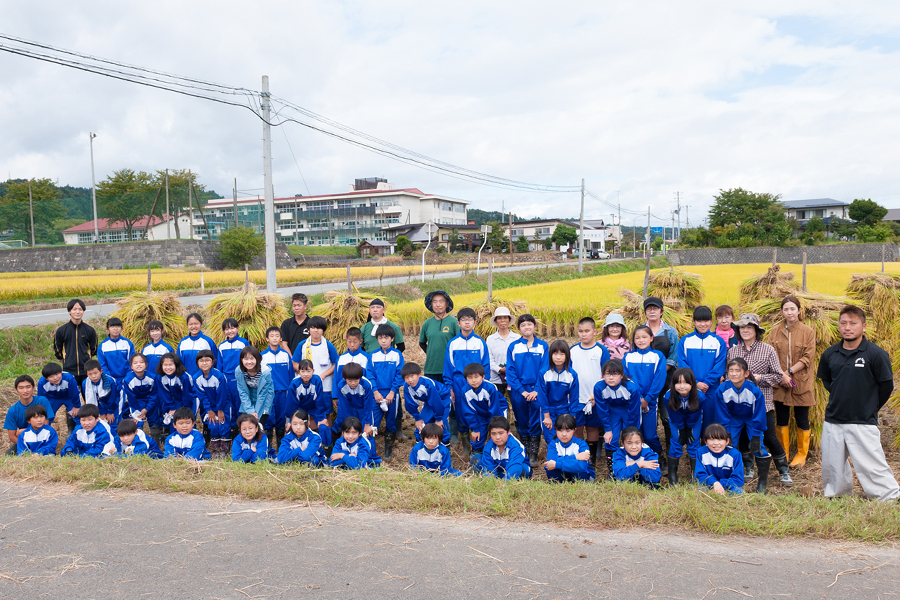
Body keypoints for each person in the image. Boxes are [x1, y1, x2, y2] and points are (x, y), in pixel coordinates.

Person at [817, 305, 899, 502]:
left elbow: (886, 386)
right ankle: (837, 495)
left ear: (863, 326)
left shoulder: (875, 354)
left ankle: (888, 496)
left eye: (853, 323)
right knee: (832, 463)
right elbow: (828, 381)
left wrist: (869, 406)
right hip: (834, 418)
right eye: (843, 322)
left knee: (870, 462)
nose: (847, 327)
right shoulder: (830, 354)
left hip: (863, 419)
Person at [727, 313, 792, 487]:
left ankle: (783, 470)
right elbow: (729, 375)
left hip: (763, 404)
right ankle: (749, 467)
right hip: (739, 405)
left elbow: (778, 376)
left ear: (756, 330)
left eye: (749, 327)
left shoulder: (768, 349)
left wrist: (757, 378)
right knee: (742, 438)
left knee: (770, 437)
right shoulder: (733, 351)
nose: (745, 330)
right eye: (742, 327)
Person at [769, 295, 816, 469]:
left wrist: (788, 372)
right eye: (786, 309)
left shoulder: (808, 332)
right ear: (782, 311)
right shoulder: (774, 332)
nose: (789, 312)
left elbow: (807, 358)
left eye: (792, 309)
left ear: (799, 311)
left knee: (802, 418)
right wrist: (781, 376)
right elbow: (771, 355)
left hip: (800, 382)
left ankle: (801, 455)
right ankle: (783, 454)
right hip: (780, 382)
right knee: (781, 418)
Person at [714, 357, 769, 493]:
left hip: (751, 418)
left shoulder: (754, 391)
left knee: (759, 447)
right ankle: (729, 479)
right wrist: (726, 432)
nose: (733, 373)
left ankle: (762, 482)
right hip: (733, 418)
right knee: (728, 446)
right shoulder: (722, 389)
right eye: (730, 370)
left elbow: (759, 414)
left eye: (737, 371)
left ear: (746, 373)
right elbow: (722, 413)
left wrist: (756, 435)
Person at [443, 306, 491, 458]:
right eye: (463, 320)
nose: (467, 323)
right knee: (461, 412)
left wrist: (484, 383)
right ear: (458, 323)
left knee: (478, 411)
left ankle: (477, 446)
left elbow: (486, 365)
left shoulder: (480, 343)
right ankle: (465, 447)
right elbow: (448, 367)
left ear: (475, 322)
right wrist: (450, 387)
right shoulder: (452, 343)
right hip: (458, 382)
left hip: (477, 382)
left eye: (469, 320)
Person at [505, 313, 548, 466]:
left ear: (534, 326)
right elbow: (510, 371)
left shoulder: (543, 346)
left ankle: (534, 455)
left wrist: (536, 389)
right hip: (519, 391)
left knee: (536, 420)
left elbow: (544, 369)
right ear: (519, 328)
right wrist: (522, 390)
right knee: (522, 420)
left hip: (537, 391)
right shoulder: (514, 347)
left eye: (530, 324)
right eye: (523, 325)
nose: (527, 327)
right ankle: (525, 451)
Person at [677, 305, 727, 432]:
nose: (703, 324)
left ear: (711, 321)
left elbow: (720, 365)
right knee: (692, 419)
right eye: (699, 321)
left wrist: (706, 383)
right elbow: (682, 364)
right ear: (694, 321)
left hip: (711, 389)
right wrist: (696, 383)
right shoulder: (685, 340)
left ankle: (708, 446)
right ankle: (694, 449)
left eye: (706, 321)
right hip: (691, 388)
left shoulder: (718, 342)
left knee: (710, 421)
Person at [569, 316, 609, 469]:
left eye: (587, 331)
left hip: (594, 399)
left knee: (592, 428)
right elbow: (569, 373)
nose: (583, 334)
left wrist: (598, 396)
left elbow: (605, 374)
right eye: (580, 331)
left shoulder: (601, 350)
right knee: (578, 427)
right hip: (577, 398)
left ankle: (592, 456)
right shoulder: (573, 350)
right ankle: (581, 453)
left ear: (594, 331)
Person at [418, 290, 459, 440]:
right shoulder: (427, 323)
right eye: (434, 301)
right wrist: (431, 353)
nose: (438, 304)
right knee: (432, 400)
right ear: (431, 305)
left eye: (441, 301)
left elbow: (458, 344)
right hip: (431, 368)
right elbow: (422, 342)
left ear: (447, 303)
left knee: (451, 399)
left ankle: (452, 432)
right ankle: (431, 431)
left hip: (449, 370)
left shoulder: (454, 322)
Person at [642, 297, 678, 467]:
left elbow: (673, 358)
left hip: (667, 382)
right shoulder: (640, 331)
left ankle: (672, 455)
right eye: (649, 309)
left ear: (662, 311)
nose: (652, 311)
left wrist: (659, 372)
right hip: (645, 383)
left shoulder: (670, 331)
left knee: (667, 418)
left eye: (655, 308)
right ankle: (655, 455)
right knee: (648, 422)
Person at [623, 325, 667, 462]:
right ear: (633, 340)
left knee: (649, 435)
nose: (641, 340)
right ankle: (635, 460)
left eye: (644, 337)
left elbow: (659, 379)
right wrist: (639, 398)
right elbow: (626, 379)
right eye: (637, 338)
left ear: (651, 338)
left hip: (651, 403)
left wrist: (647, 399)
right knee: (633, 433)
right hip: (633, 402)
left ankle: (658, 456)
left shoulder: (657, 356)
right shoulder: (628, 357)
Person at [594, 359, 642, 480]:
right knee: (611, 440)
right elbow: (602, 409)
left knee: (631, 439)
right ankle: (613, 470)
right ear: (603, 375)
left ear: (621, 375)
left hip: (628, 412)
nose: (611, 377)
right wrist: (608, 429)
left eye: (615, 374)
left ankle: (632, 469)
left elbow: (634, 411)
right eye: (607, 373)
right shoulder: (599, 388)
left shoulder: (631, 388)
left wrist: (630, 431)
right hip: (612, 411)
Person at [458, 363, 506, 468]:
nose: (473, 380)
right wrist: (475, 428)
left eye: (476, 377)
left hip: (498, 411)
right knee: (477, 435)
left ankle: (500, 456)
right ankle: (476, 455)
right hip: (481, 413)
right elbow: (469, 411)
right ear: (466, 379)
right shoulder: (465, 391)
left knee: (498, 434)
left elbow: (495, 409)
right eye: (470, 378)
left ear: (483, 377)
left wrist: (495, 426)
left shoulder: (490, 388)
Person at [367, 324, 405, 460]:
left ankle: (388, 450)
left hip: (391, 395)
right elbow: (369, 375)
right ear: (377, 339)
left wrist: (393, 391)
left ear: (392, 339)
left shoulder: (397, 355)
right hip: (376, 395)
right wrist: (375, 392)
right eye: (380, 338)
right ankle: (371, 451)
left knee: (391, 421)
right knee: (373, 422)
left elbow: (400, 374)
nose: (383, 340)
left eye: (386, 338)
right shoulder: (373, 355)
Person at [664, 368, 705, 485]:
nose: (682, 386)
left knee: (694, 441)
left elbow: (696, 415)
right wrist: (681, 428)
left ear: (692, 383)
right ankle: (672, 474)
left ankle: (695, 474)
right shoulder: (668, 396)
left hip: (694, 421)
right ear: (673, 384)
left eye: (686, 382)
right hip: (676, 421)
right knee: (676, 441)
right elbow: (674, 414)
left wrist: (689, 429)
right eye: (678, 382)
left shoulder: (700, 397)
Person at [292, 317, 338, 414]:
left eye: (319, 328)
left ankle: (325, 430)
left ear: (323, 330)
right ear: (308, 330)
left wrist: (324, 375)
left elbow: (335, 364)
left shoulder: (328, 345)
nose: (316, 330)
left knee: (325, 413)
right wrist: (305, 373)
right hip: (306, 385)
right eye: (313, 327)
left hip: (324, 385)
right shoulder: (302, 345)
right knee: (310, 413)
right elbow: (295, 363)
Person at [53, 298, 97, 397]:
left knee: (89, 396)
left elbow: (94, 349)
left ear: (83, 311)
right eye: (74, 309)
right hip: (69, 370)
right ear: (69, 311)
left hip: (86, 370)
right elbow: (57, 349)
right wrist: (66, 360)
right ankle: (70, 413)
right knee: (71, 398)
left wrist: (87, 360)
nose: (77, 312)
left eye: (80, 309)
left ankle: (90, 413)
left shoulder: (90, 330)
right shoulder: (61, 330)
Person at [537, 340, 579, 444]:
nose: (558, 357)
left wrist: (572, 417)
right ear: (550, 355)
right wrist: (546, 416)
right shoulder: (544, 373)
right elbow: (542, 396)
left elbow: (574, 397)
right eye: (555, 354)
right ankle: (553, 459)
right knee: (550, 438)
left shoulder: (572, 374)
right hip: (548, 410)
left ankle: (564, 459)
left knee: (564, 437)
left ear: (567, 356)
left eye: (562, 354)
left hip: (564, 409)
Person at [261, 326, 294, 450]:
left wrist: (290, 391)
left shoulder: (286, 355)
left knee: (281, 420)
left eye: (277, 336)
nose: (274, 338)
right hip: (268, 393)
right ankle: (269, 449)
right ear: (267, 339)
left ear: (281, 338)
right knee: (268, 419)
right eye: (271, 336)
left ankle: (280, 448)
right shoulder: (262, 356)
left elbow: (291, 375)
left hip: (283, 393)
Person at [402, 362, 451, 444]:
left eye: (412, 376)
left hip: (442, 399)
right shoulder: (407, 387)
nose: (410, 380)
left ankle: (444, 448)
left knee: (440, 426)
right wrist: (417, 418)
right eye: (406, 377)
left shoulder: (427, 384)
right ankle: (421, 448)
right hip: (430, 401)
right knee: (422, 425)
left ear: (419, 374)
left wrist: (438, 419)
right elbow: (410, 404)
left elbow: (436, 402)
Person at [193, 349, 230, 456]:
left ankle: (224, 451)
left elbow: (222, 395)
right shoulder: (196, 378)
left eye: (207, 360)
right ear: (197, 363)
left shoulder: (219, 376)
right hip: (210, 408)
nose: (204, 363)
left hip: (224, 406)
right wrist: (209, 410)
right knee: (213, 426)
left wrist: (220, 410)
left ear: (212, 362)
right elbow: (202, 396)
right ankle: (216, 450)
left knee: (223, 426)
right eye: (201, 361)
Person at [4, 376, 54, 455]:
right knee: (9, 454)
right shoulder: (12, 411)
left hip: (43, 438)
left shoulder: (42, 401)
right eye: (21, 388)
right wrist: (25, 446)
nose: (25, 391)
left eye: (28, 387)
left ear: (33, 388)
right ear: (16, 390)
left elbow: (45, 425)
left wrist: (21, 431)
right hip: (25, 440)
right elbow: (12, 436)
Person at [331, 362, 376, 447]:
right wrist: (348, 422)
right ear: (344, 378)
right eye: (350, 380)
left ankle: (370, 455)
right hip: (349, 407)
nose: (353, 383)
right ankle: (336, 445)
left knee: (366, 430)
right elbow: (344, 407)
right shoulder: (341, 385)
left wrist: (367, 424)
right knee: (343, 423)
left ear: (360, 377)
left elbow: (368, 405)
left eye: (356, 380)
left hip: (363, 409)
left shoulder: (366, 385)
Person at [287, 359, 330, 447]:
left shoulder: (317, 380)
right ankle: (294, 448)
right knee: (294, 427)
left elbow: (319, 400)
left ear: (313, 371)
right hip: (300, 408)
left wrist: (321, 418)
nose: (306, 374)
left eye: (308, 371)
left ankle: (327, 449)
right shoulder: (294, 384)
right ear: (298, 372)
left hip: (315, 408)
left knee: (324, 428)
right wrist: (291, 420)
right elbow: (292, 404)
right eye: (303, 371)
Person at [695, 423, 745, 495]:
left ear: (727, 441)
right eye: (712, 439)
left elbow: (738, 479)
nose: (716, 443)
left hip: (728, 486)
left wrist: (721, 484)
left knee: (738, 492)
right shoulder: (701, 452)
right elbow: (700, 476)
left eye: (720, 439)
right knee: (700, 491)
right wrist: (714, 483)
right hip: (709, 484)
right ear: (705, 441)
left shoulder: (735, 454)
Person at [544, 413, 593, 482]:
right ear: (555, 430)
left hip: (579, 474)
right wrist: (576, 457)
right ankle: (558, 486)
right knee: (551, 469)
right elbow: (551, 462)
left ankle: (580, 487)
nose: (564, 434)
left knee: (580, 471)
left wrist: (557, 464)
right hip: (562, 473)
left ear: (574, 430)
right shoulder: (553, 444)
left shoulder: (581, 444)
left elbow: (581, 465)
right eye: (560, 430)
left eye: (568, 431)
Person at [121, 354, 160, 442]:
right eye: (135, 363)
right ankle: (139, 442)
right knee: (137, 422)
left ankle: (156, 443)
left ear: (146, 364)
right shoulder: (127, 380)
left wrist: (147, 409)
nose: (138, 364)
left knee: (154, 422)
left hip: (151, 402)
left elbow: (154, 394)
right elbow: (131, 398)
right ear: (131, 366)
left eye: (141, 362)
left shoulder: (153, 377)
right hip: (137, 404)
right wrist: (138, 411)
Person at [479, 416, 531, 480]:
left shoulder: (516, 446)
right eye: (493, 434)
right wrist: (492, 482)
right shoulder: (488, 447)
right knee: (477, 459)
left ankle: (516, 482)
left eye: (501, 433)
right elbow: (489, 469)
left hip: (516, 471)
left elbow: (515, 467)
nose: (497, 437)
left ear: (508, 432)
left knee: (522, 468)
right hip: (500, 471)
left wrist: (504, 485)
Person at [486, 306, 520, 401]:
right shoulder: (490, 339)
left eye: (505, 317)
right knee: (497, 403)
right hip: (496, 378)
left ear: (509, 320)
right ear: (496, 321)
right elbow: (489, 359)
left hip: (513, 377)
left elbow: (519, 358)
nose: (502, 320)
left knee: (516, 403)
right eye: (499, 318)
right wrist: (500, 369)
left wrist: (509, 369)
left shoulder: (517, 338)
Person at [218, 318, 249, 425]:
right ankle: (231, 427)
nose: (230, 331)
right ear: (224, 331)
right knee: (229, 402)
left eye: (232, 328)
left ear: (237, 329)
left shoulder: (243, 343)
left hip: (240, 377)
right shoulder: (222, 346)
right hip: (227, 378)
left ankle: (241, 425)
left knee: (240, 402)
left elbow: (248, 360)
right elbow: (220, 364)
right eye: (227, 329)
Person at [236, 346, 274, 431]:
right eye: (246, 359)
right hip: (248, 398)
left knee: (258, 426)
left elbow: (262, 395)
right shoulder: (239, 371)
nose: (249, 362)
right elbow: (243, 393)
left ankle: (262, 443)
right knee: (247, 426)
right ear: (241, 360)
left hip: (264, 400)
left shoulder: (265, 372)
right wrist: (251, 411)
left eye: (252, 358)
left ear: (258, 359)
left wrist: (255, 414)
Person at [37, 362, 82, 435]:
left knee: (78, 415)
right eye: (51, 376)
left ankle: (79, 433)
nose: (55, 378)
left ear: (61, 372)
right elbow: (42, 398)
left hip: (68, 397)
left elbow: (74, 394)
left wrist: (76, 406)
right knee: (45, 415)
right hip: (53, 398)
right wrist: (44, 410)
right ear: (46, 378)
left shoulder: (69, 378)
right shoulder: (42, 382)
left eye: (57, 374)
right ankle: (44, 434)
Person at [156, 353, 197, 431]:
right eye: (165, 365)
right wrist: (172, 408)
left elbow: (187, 395)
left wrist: (183, 410)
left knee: (187, 419)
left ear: (177, 364)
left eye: (171, 365)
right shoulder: (160, 378)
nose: (168, 367)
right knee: (174, 421)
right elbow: (164, 394)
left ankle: (191, 437)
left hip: (189, 400)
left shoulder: (184, 377)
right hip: (173, 401)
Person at [177, 313, 220, 380]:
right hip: (186, 379)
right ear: (187, 325)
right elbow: (178, 362)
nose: (193, 326)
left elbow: (215, 361)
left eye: (196, 323)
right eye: (190, 324)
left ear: (201, 324)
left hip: (204, 379)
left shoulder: (208, 341)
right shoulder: (183, 342)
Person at [97, 317, 134, 388]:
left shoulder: (127, 343)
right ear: (107, 329)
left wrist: (127, 378)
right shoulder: (103, 346)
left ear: (122, 328)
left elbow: (132, 362)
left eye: (118, 326)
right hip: (110, 380)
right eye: (112, 326)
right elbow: (102, 365)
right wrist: (111, 379)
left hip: (127, 379)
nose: (115, 328)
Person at [83, 359, 120, 427]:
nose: (93, 376)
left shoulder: (110, 381)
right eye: (90, 374)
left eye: (95, 373)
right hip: (101, 402)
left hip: (115, 400)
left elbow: (113, 399)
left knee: (113, 421)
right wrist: (101, 413)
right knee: (101, 422)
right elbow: (91, 399)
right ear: (86, 374)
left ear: (101, 371)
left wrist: (110, 412)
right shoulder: (85, 384)